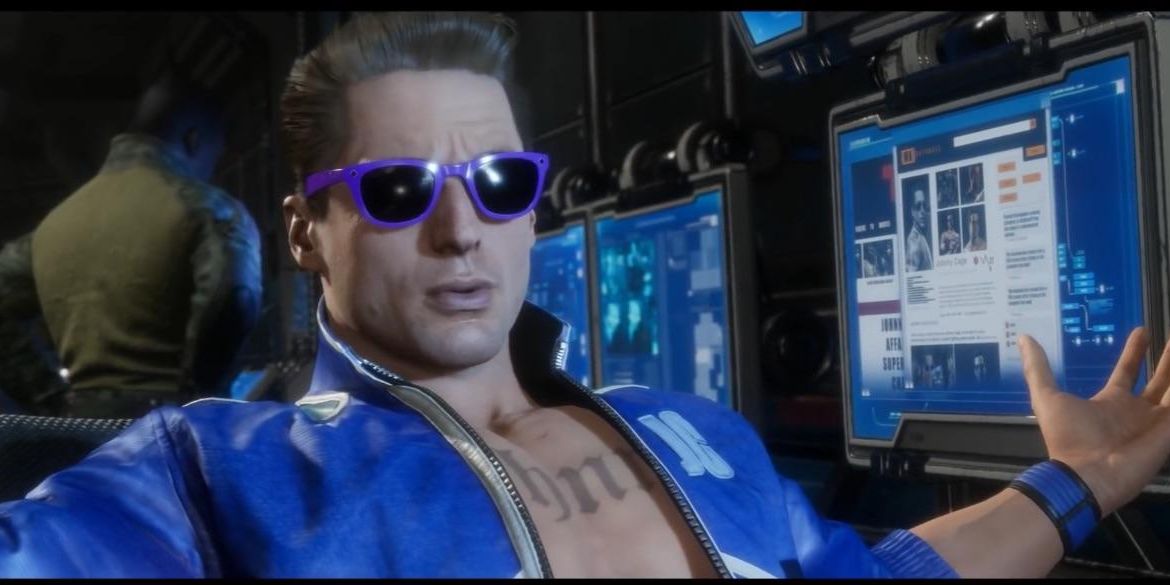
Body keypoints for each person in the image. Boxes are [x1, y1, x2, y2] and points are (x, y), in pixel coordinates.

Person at [3, 11, 1170, 579]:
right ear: (306, 230)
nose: (463, 230)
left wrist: (1079, 481)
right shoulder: (214, 473)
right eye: (400, 190)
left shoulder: (693, 430)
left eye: (498, 182)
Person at [28, 69, 263, 417]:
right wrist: (201, 392)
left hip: (79, 426)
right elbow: (235, 298)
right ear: (194, 140)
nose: (212, 170)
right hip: (169, 424)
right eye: (214, 155)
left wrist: (47, 395)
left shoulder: (52, 225)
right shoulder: (210, 209)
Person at [905, 188, 933, 272]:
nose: (922, 211)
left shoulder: (925, 234)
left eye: (925, 206)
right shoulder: (914, 240)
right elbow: (911, 274)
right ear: (912, 211)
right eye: (918, 206)